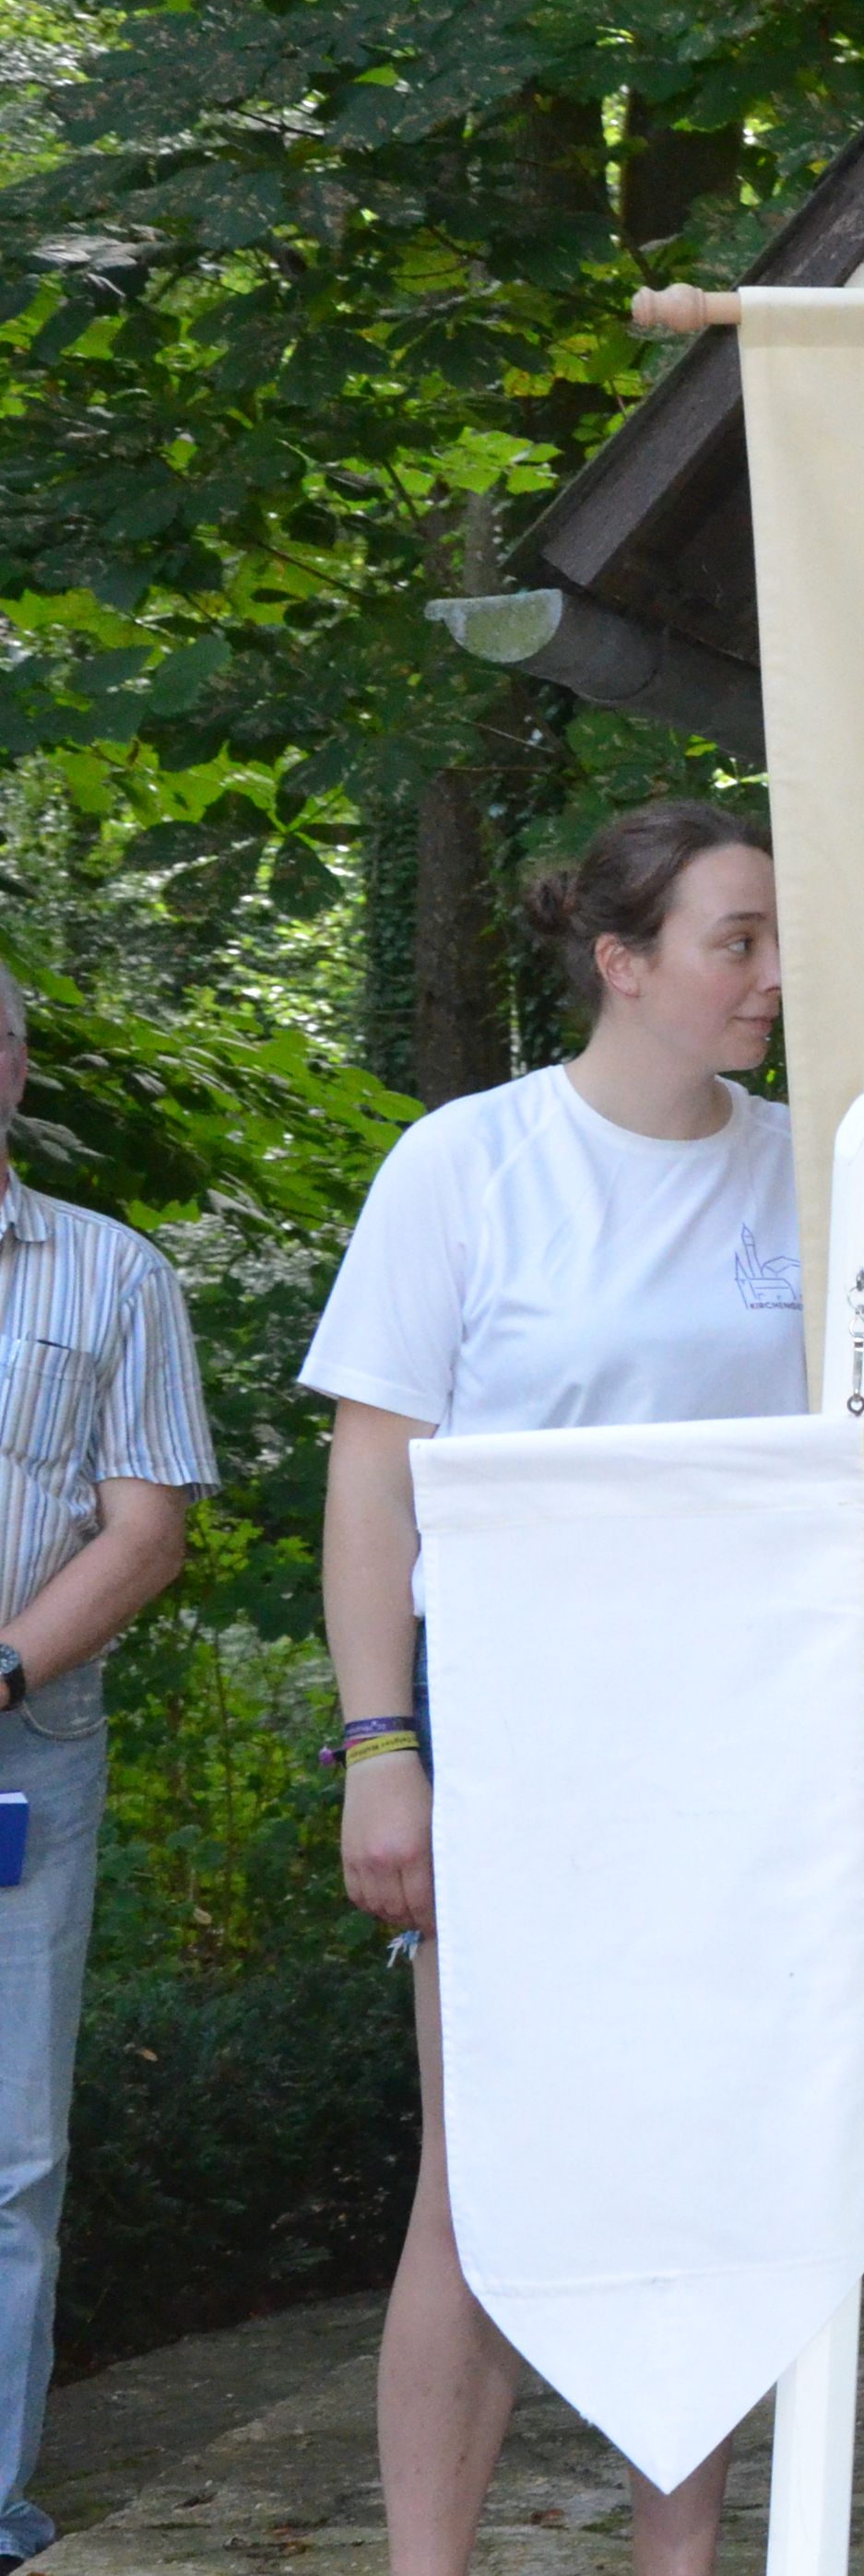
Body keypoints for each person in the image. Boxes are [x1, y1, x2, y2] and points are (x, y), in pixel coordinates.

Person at [306, 802, 798, 2576]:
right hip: (518, 1758)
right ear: (622, 958)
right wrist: (384, 1748)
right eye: (733, 939)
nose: (769, 974)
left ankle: (682, 2555)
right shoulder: (466, 1162)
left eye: (772, 937)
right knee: (483, 2183)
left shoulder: (816, 1166)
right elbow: (374, 1476)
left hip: (746, 1761)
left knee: (709, 2180)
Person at [0, 964, 217, 2571]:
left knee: (9, 2159)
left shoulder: (113, 1272)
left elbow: (144, 1533)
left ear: (13, 1071)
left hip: (24, 1751)